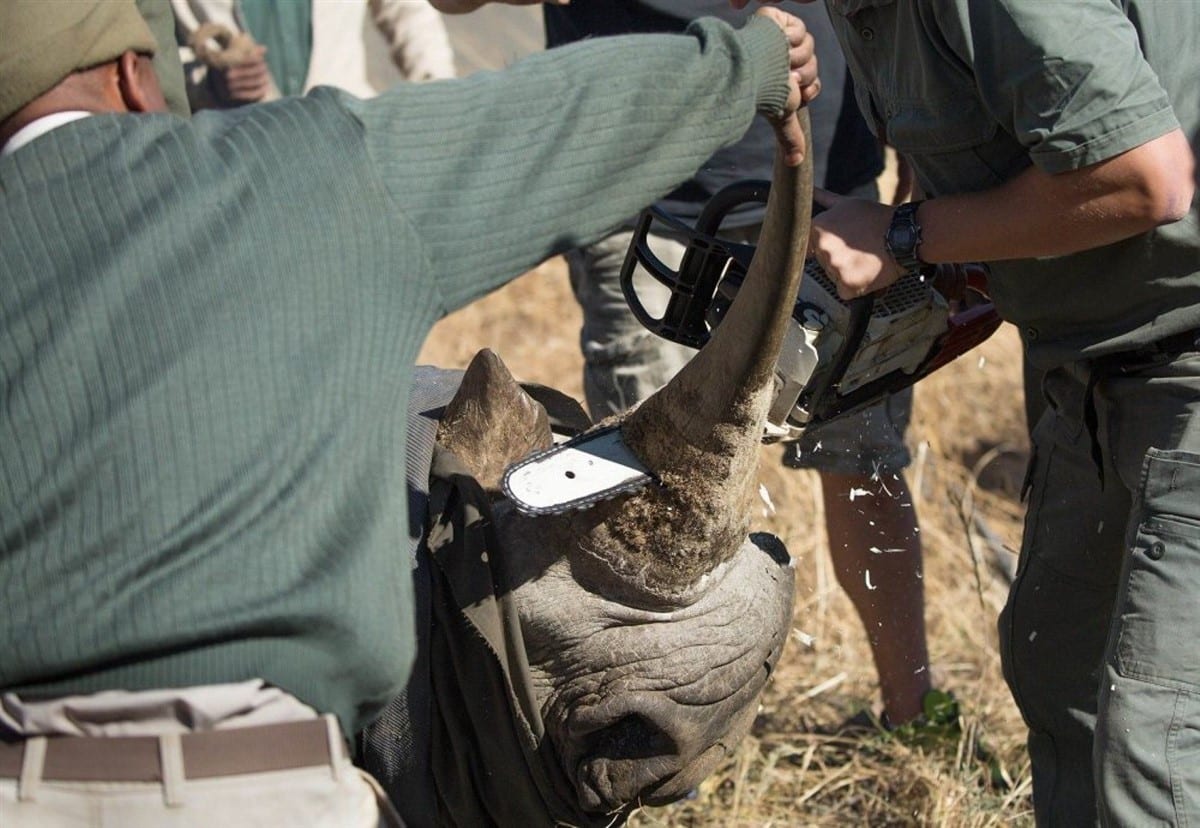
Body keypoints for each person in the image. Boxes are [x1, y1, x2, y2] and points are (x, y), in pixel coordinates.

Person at [0, 0, 816, 823]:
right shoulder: (292, 169)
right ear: (135, 79)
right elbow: (551, 121)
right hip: (258, 786)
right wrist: (745, 63)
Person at [753, 0, 1198, 823]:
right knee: (1062, 677)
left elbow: (1149, 178)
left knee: (1158, 748)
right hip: (1089, 366)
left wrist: (905, 235)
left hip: (1184, 353)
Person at [537, 0, 934, 728]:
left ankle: (912, 714)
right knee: (649, 494)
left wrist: (919, 113)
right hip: (644, 191)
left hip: (829, 174)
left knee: (865, 462)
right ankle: (654, 749)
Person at [170, 0, 457, 111]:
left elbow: (407, 11)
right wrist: (209, 86)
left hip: (347, 134)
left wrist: (441, 96)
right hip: (240, 153)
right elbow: (146, 57)